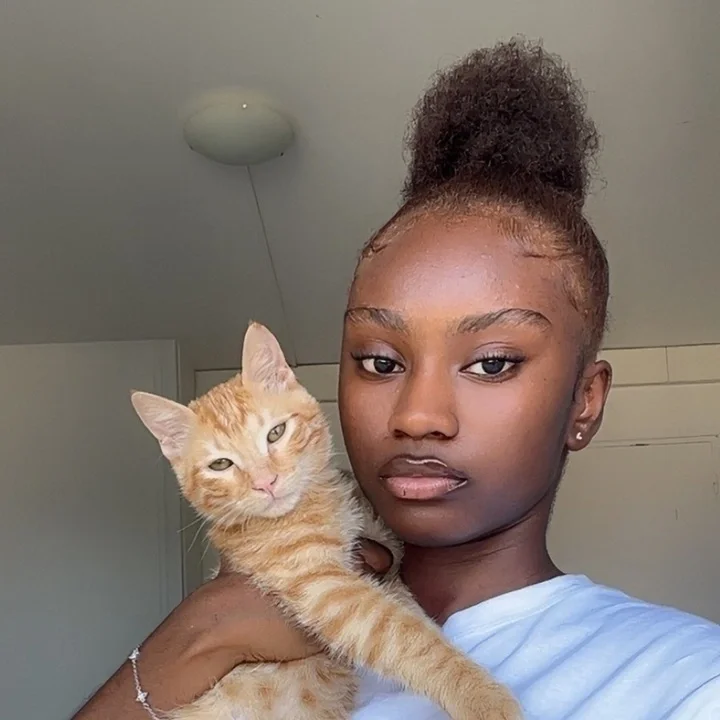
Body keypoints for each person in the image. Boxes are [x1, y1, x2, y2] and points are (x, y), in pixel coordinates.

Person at [74, 37, 720, 720]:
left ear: (585, 403)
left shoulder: (685, 682)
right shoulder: (232, 625)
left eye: (491, 362)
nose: (417, 415)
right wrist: (195, 638)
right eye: (381, 362)